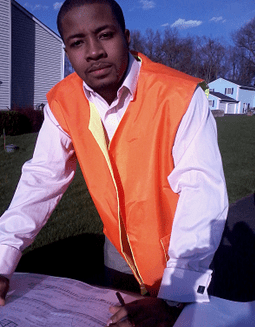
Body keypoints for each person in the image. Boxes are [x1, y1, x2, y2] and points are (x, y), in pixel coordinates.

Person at [0, 0, 229, 326]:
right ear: (67, 52)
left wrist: (174, 299)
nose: (93, 52)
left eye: (105, 34)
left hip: (183, 256)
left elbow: (201, 193)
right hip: (118, 251)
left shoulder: (178, 95)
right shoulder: (62, 102)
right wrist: (2, 259)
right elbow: (42, 178)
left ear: (127, 36)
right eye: (77, 42)